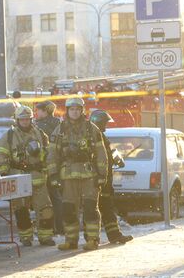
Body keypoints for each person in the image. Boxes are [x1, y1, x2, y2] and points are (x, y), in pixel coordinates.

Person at [47, 97, 108, 251]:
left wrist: (102, 175)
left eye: (77, 109)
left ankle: (93, 239)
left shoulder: (91, 128)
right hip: (68, 177)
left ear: (82, 111)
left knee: (90, 209)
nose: (75, 112)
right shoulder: (59, 130)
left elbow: (101, 153)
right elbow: (52, 154)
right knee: (68, 209)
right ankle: (71, 240)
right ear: (67, 111)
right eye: (72, 109)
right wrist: (53, 175)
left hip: (89, 176)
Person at [0, 105, 55, 246]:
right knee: (21, 210)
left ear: (31, 119)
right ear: (17, 120)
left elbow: (49, 154)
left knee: (45, 209)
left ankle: (45, 237)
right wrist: (4, 172)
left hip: (38, 177)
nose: (25, 122)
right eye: (22, 119)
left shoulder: (40, 134)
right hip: (18, 178)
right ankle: (26, 237)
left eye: (27, 119)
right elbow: (1, 154)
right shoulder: (9, 136)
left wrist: (49, 169)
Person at [89, 110, 133, 244]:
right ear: (98, 122)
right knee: (97, 209)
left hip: (104, 179)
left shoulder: (101, 136)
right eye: (104, 123)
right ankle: (94, 238)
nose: (106, 126)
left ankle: (114, 235)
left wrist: (115, 158)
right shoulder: (94, 137)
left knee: (107, 207)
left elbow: (106, 156)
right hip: (97, 180)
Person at [35, 100, 63, 235]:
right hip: (59, 165)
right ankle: (61, 225)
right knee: (58, 196)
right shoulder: (59, 123)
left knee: (46, 198)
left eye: (38, 110)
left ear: (45, 111)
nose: (36, 113)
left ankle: (50, 227)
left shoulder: (39, 126)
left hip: (45, 166)